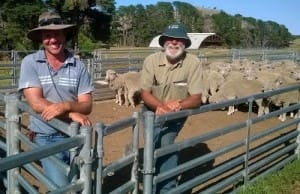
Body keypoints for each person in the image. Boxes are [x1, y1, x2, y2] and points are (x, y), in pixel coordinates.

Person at [18, 11, 94, 187]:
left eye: (57, 34)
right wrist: (71, 114)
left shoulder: (78, 66)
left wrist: (66, 106)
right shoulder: (31, 62)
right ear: (41, 39)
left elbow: (87, 105)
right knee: (62, 187)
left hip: (75, 134)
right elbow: (36, 103)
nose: (53, 40)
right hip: (46, 135)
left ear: (65, 35)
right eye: (47, 35)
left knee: (81, 183)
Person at [140, 23, 204, 193]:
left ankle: (166, 188)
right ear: (164, 41)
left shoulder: (193, 62)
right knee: (151, 144)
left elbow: (196, 98)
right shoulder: (151, 61)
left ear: (185, 43)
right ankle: (149, 178)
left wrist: (179, 105)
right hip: (150, 110)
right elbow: (144, 93)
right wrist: (160, 106)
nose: (174, 42)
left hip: (177, 113)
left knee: (165, 143)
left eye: (179, 40)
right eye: (170, 38)